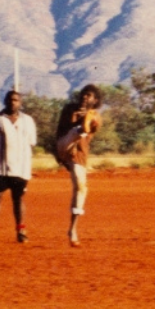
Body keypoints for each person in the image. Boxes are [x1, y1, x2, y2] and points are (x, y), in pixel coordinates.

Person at [0, 90, 37, 243]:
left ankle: (21, 231)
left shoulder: (27, 121)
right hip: (0, 168)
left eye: (16, 100)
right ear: (5, 101)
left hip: (21, 168)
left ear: (20, 102)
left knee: (18, 198)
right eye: (10, 99)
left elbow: (31, 142)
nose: (13, 102)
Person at [55, 84, 102, 247]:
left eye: (89, 95)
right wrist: (76, 116)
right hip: (64, 145)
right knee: (75, 131)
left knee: (81, 189)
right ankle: (80, 129)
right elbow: (59, 131)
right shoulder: (69, 109)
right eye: (83, 94)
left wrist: (87, 119)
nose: (84, 97)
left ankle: (72, 230)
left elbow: (91, 129)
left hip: (78, 155)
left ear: (95, 100)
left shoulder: (97, 117)